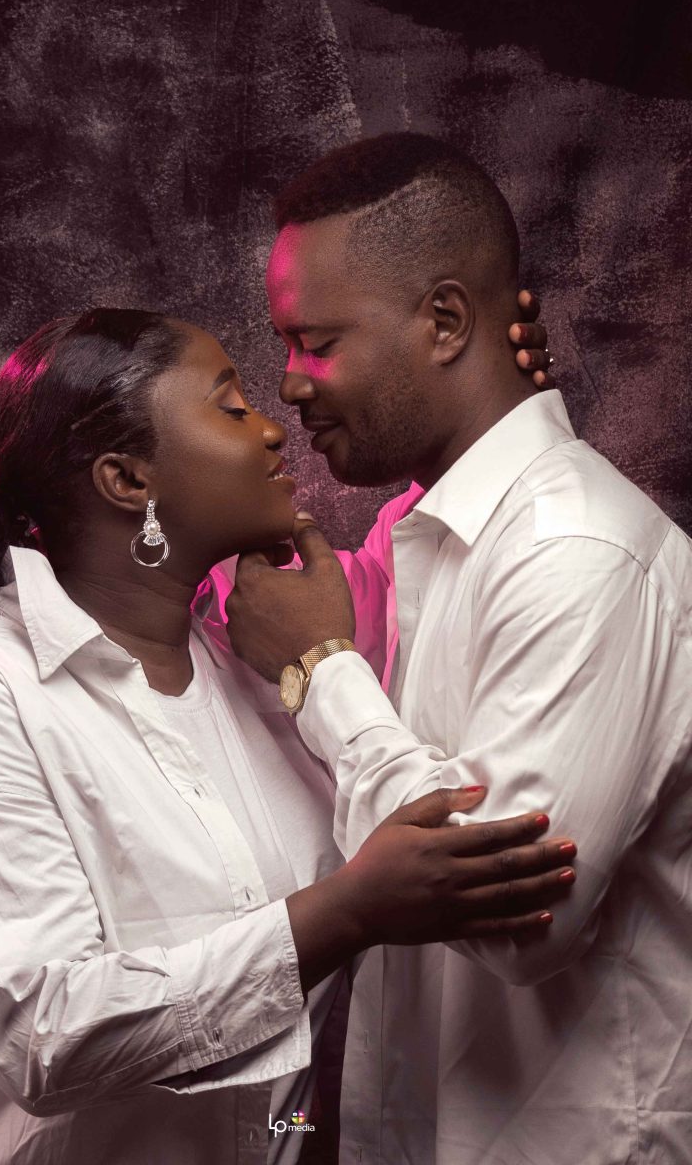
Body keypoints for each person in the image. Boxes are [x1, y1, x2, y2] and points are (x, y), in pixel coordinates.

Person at [0, 308, 575, 1165]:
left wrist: (480, 398)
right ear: (128, 480)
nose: (272, 430)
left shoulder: (265, 671)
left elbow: (431, 556)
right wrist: (346, 913)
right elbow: (39, 1034)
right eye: (230, 407)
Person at [225, 133, 692, 1165]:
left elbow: (520, 921)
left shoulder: (578, 552)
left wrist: (320, 672)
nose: (287, 386)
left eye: (317, 344)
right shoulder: (420, 538)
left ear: (443, 322)